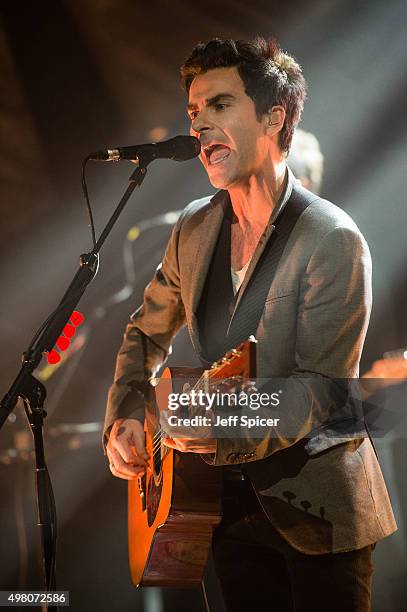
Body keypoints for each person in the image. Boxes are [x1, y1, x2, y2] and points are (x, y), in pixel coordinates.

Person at [104, 37, 396, 611]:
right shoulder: (192, 228)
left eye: (219, 105)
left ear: (273, 118)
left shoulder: (331, 238)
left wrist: (218, 423)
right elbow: (144, 332)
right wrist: (128, 411)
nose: (200, 125)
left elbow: (318, 388)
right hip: (221, 512)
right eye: (193, 111)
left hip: (318, 519)